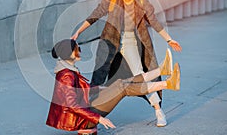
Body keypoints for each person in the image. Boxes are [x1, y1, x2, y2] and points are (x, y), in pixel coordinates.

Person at [71, 0, 182, 126]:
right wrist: (78, 32)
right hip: (110, 42)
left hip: (130, 41)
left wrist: (169, 40)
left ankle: (158, 110)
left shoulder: (142, 3)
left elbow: (155, 23)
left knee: (139, 74)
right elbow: (94, 16)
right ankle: (89, 113)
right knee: (98, 76)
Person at [46, 39, 180, 132]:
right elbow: (72, 105)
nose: (79, 52)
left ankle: (162, 71)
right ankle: (168, 83)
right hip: (81, 119)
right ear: (68, 54)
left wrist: (100, 88)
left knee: (120, 83)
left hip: (87, 106)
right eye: (77, 50)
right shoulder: (66, 76)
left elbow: (80, 91)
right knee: (123, 87)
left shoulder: (68, 70)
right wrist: (98, 119)